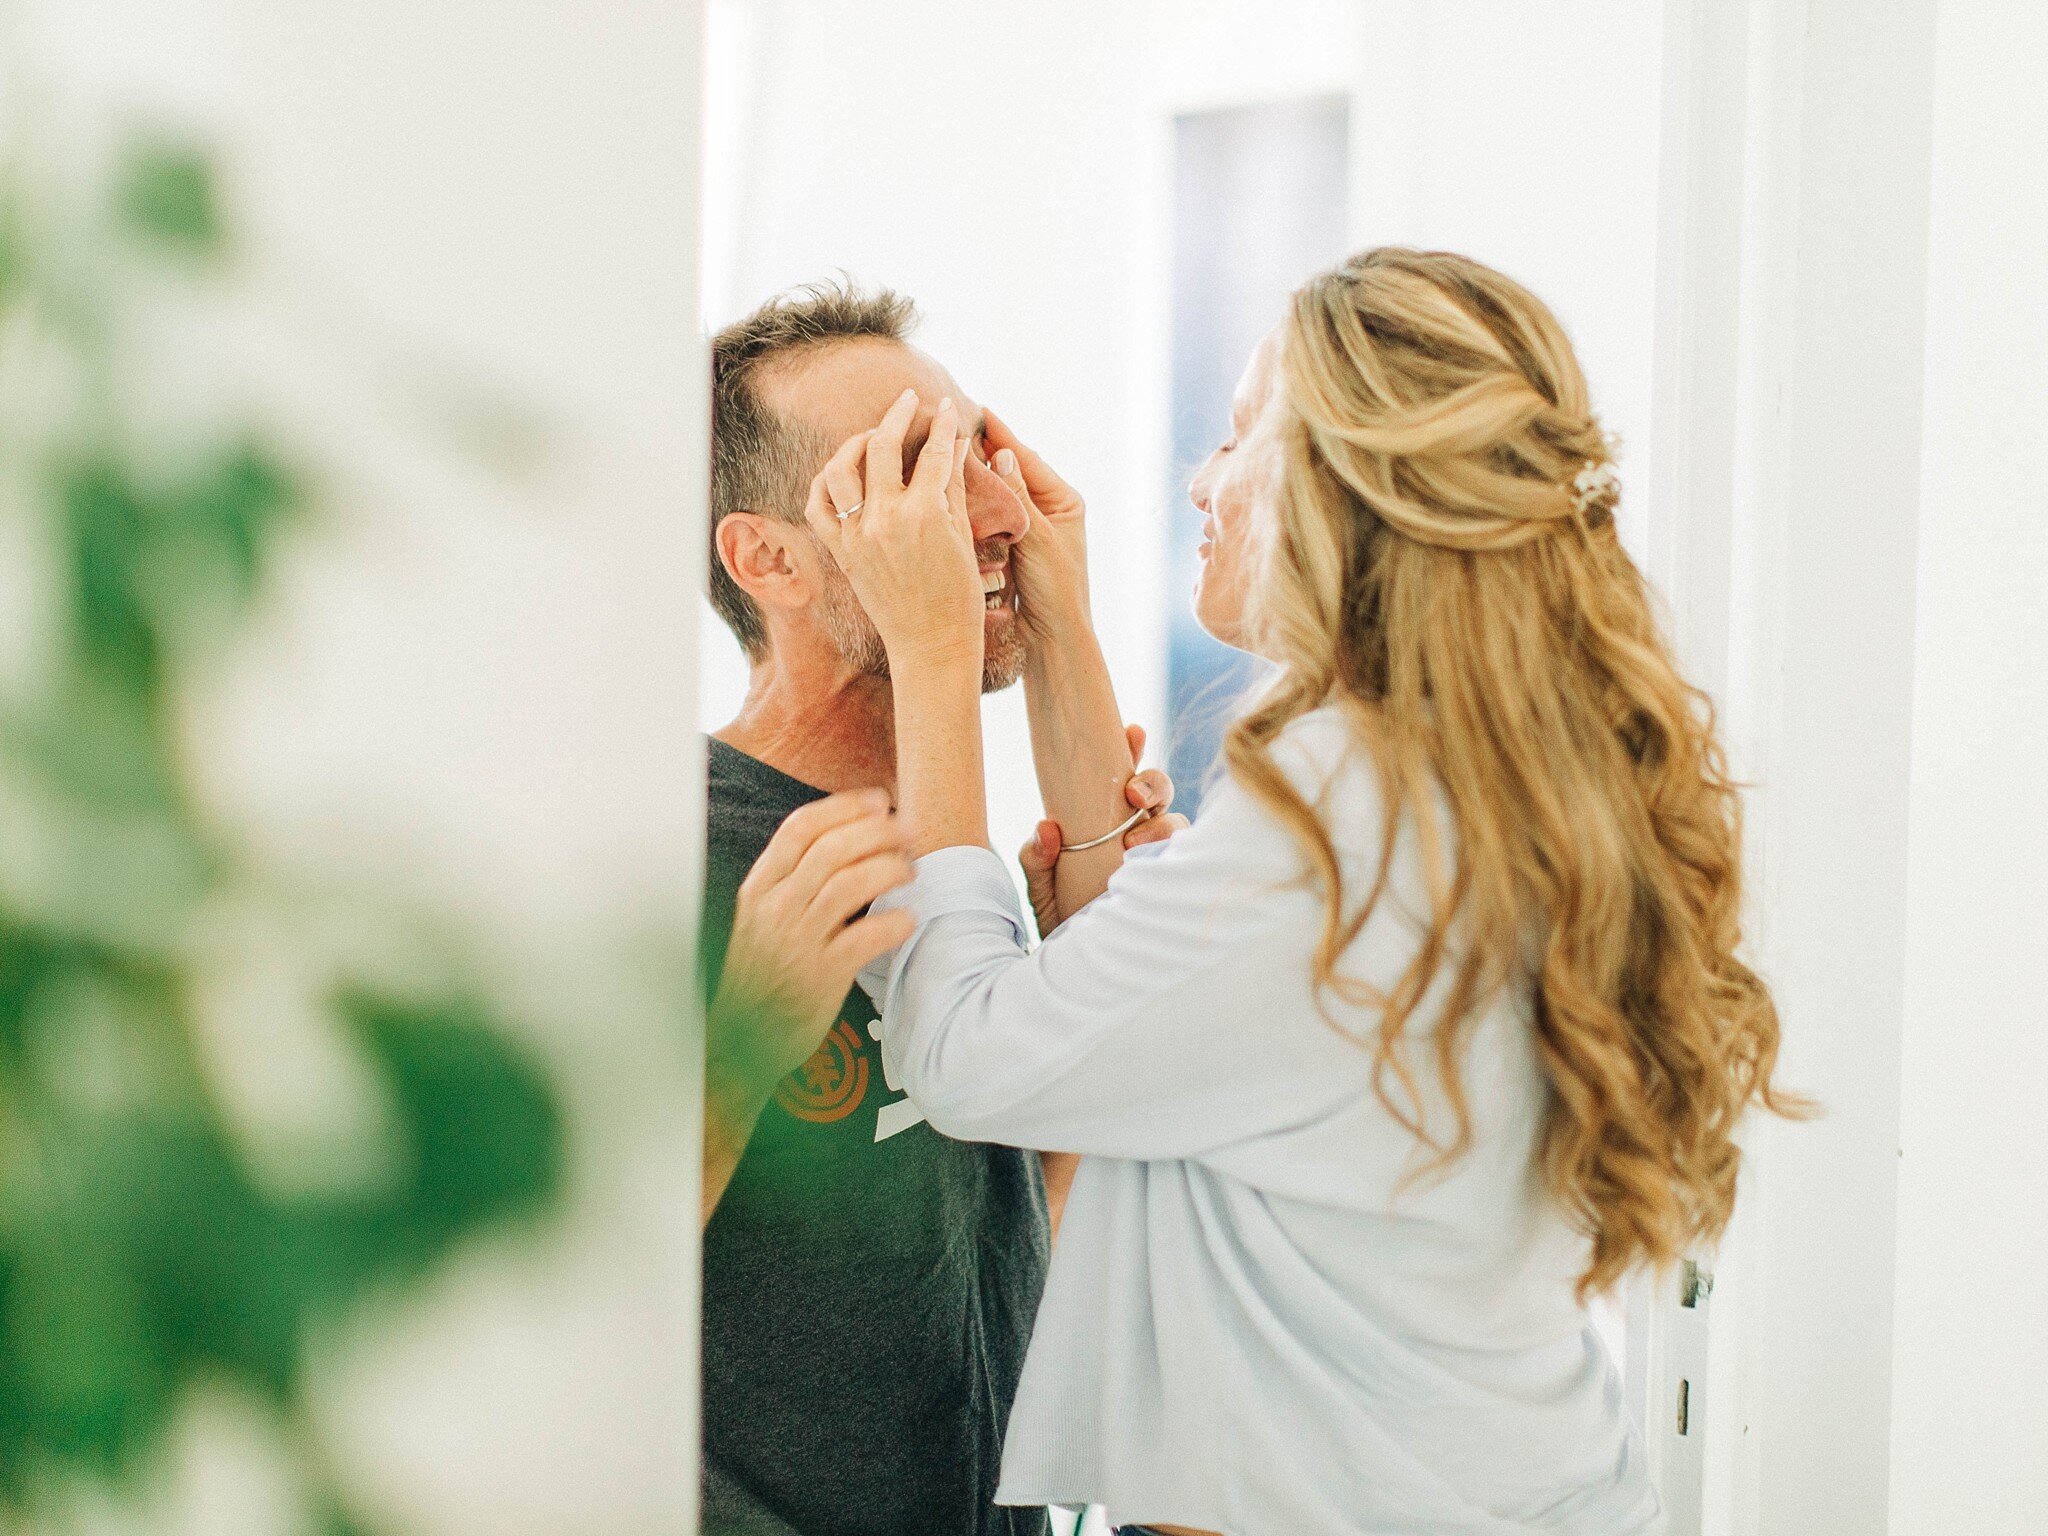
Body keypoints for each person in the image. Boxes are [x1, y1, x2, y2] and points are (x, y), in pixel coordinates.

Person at [808, 249, 1803, 1535]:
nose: (1199, 482)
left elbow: (960, 1052)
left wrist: (931, 648)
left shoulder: (1342, 817)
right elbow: (1178, 1011)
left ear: (1349, 478)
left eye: (1236, 438)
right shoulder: (1458, 777)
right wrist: (1062, 636)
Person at [696, 281, 1180, 1536]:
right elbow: (559, 1280)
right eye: (903, 474)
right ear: (767, 560)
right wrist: (744, 1037)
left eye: (972, 452)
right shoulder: (675, 846)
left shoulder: (958, 851)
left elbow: (1050, 1170)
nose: (983, 507)